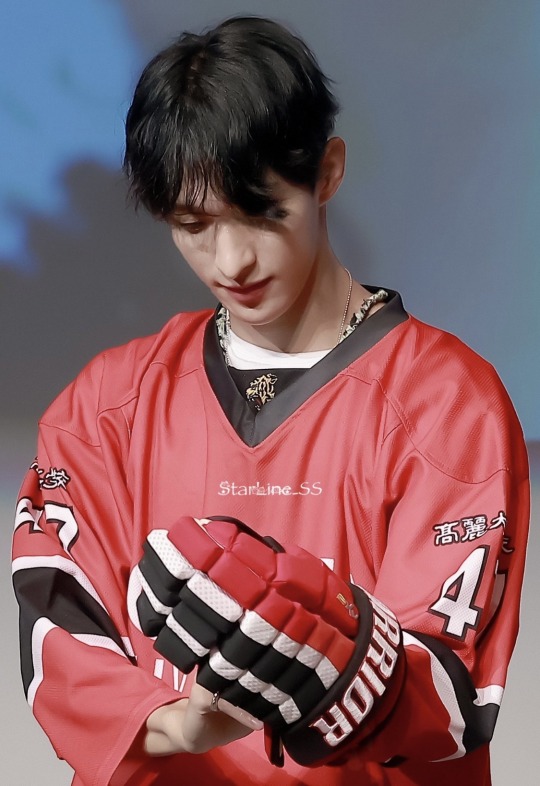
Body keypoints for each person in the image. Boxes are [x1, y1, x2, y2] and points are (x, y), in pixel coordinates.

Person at [12, 15, 529, 786]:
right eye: (194, 224)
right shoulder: (106, 406)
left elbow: (450, 697)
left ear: (328, 172)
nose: (231, 260)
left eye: (260, 212)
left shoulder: (449, 405)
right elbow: (57, 627)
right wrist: (176, 723)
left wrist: (330, 653)